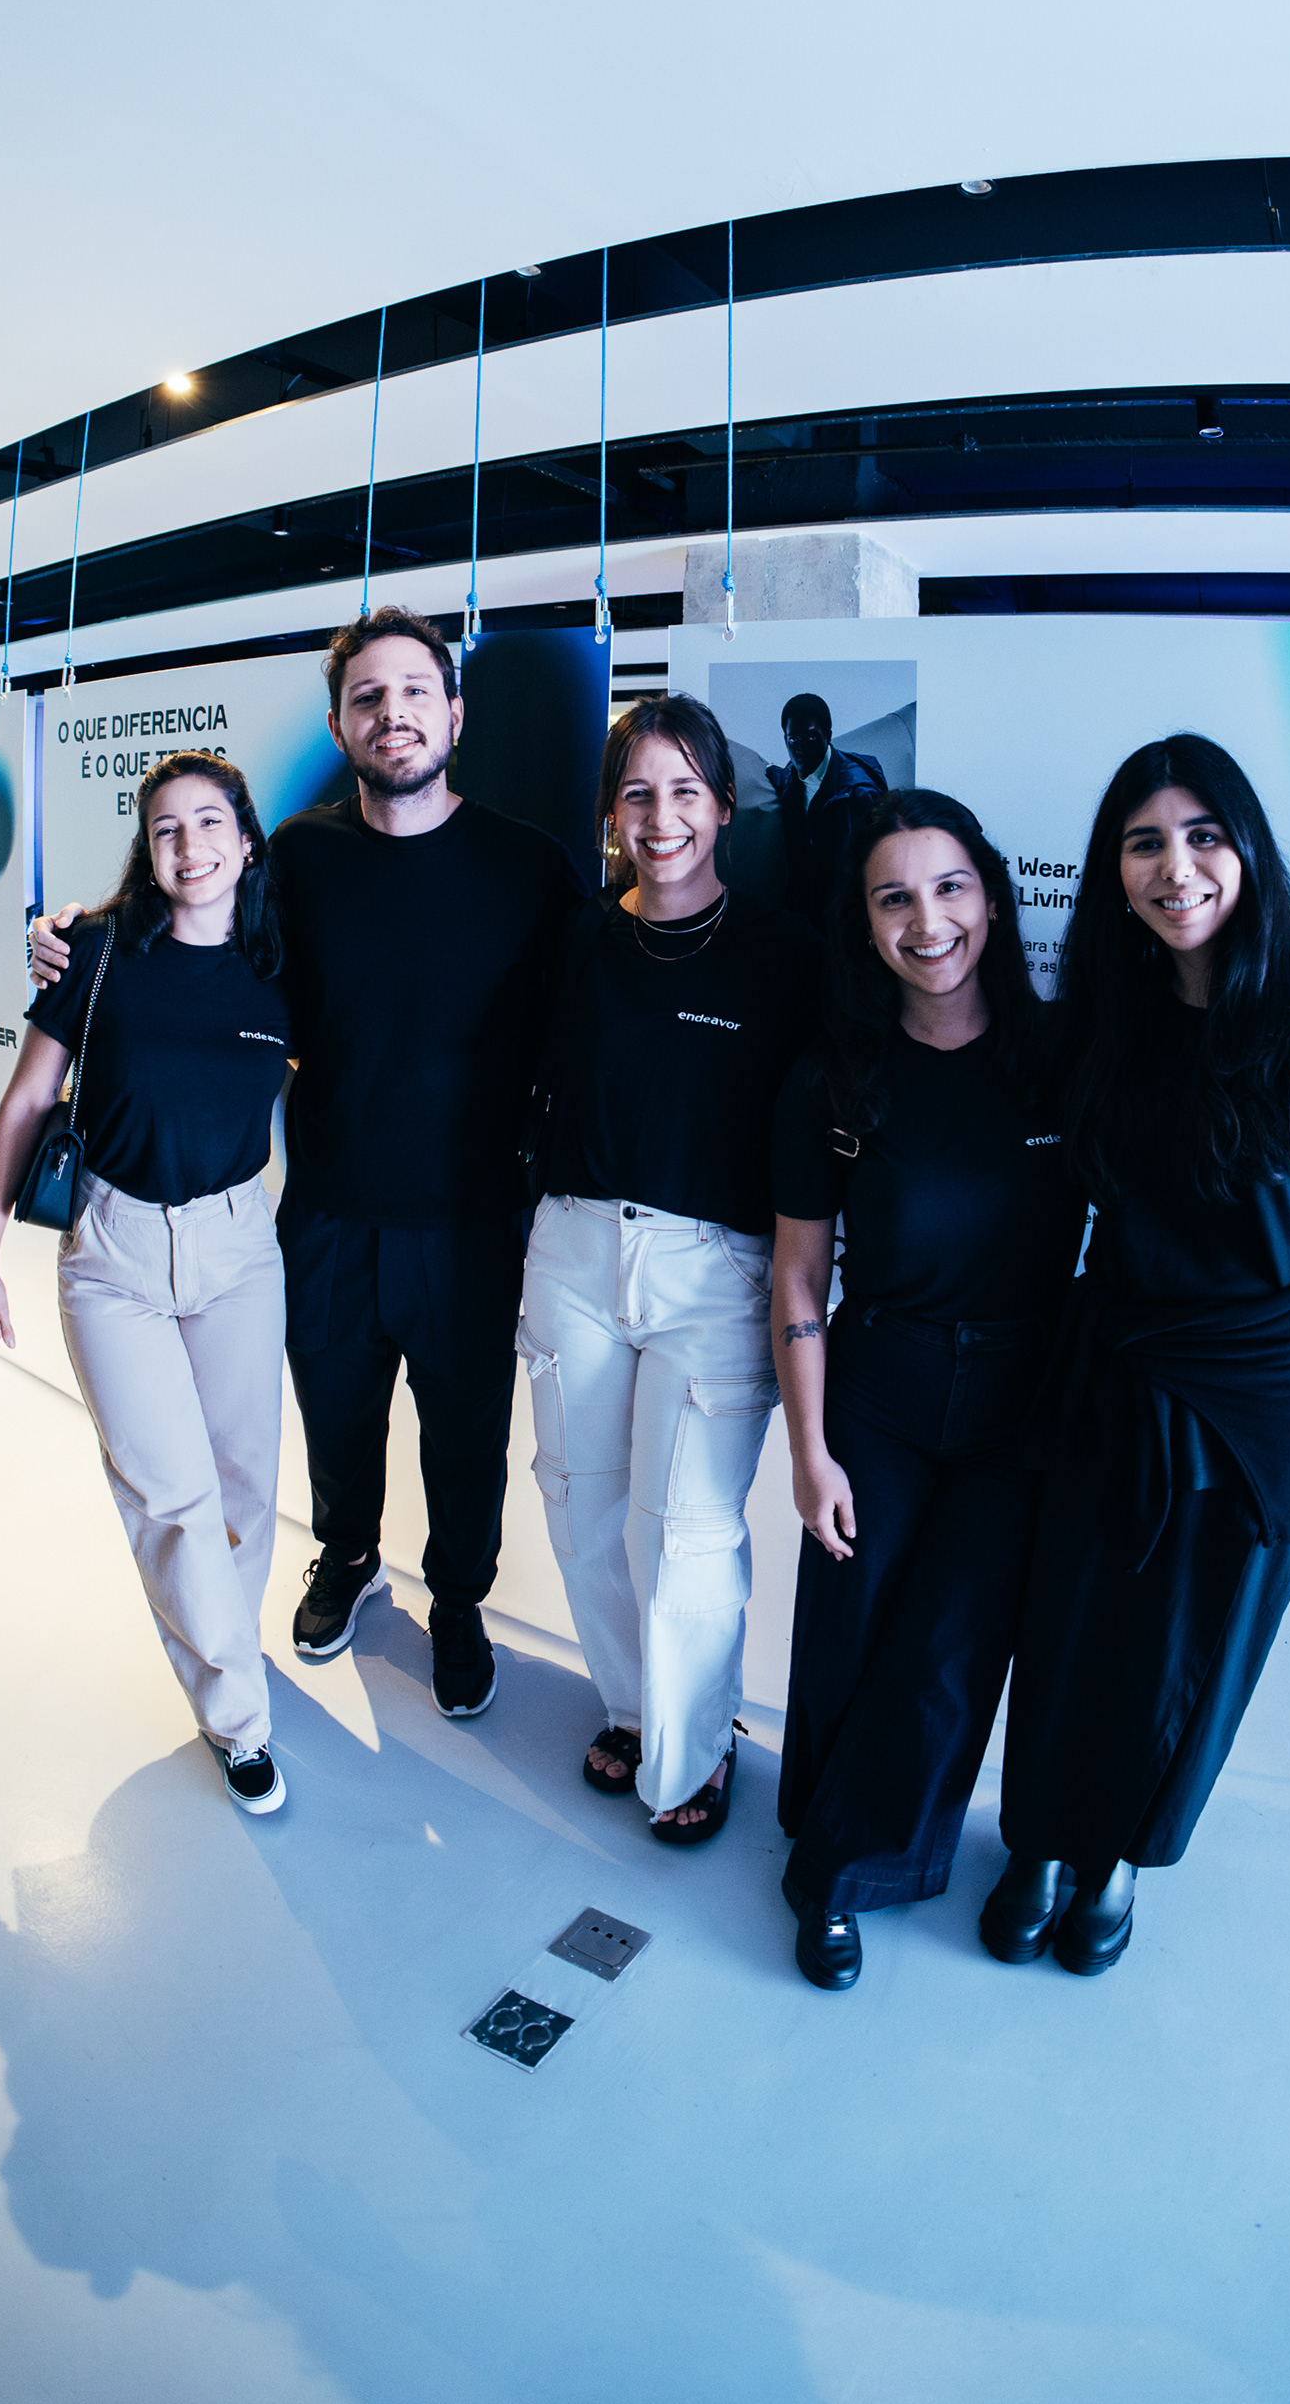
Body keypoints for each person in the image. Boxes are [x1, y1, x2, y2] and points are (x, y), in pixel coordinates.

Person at [30, 607, 587, 1722]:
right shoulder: (301, 855)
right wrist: (79, 934)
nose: (393, 714)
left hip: (473, 1218)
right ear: (340, 725)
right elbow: (198, 920)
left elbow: (587, 1024)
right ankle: (348, 1558)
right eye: (368, 697)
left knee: (466, 1436)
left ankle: (459, 1603)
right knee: (336, 1418)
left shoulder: (531, 868)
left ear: (456, 712)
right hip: (327, 1210)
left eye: (415, 691)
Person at [988, 734, 1290, 1976]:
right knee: (1072, 1618)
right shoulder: (1098, 1020)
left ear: (1248, 851)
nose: (1175, 868)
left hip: (1267, 1378)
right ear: (1114, 873)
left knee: (1198, 1640)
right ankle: (1041, 1843)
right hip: (1117, 1358)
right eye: (1144, 844)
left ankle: (1118, 1856)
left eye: (1202, 836)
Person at [770, 791, 1087, 1990]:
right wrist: (809, 1449)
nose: (928, 921)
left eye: (949, 888)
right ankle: (823, 1826)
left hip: (1023, 1394)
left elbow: (1184, 1173)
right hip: (880, 1381)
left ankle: (840, 1877)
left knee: (953, 1647)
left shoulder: (1066, 1059)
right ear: (864, 924)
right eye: (893, 898)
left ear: (992, 898)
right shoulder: (832, 1078)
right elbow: (799, 1273)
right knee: (848, 1625)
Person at [0, 754, 293, 1813]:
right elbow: (26, 1104)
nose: (190, 846)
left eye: (210, 823)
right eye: (166, 829)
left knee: (243, 1486)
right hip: (115, 1255)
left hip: (238, 1249)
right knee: (170, 1494)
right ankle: (238, 1719)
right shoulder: (97, 951)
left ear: (247, 840)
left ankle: (224, 1643)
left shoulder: (280, 960)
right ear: (146, 852)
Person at [518, 693, 819, 1838]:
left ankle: (696, 1750)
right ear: (610, 813)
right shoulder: (579, 939)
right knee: (582, 1508)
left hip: (715, 1272)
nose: (661, 817)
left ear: (725, 806)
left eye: (685, 790)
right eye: (637, 793)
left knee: (681, 1533)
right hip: (575, 1250)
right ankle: (637, 1709)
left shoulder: (786, 957)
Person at [766, 695, 887, 922]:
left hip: (846, 916)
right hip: (805, 910)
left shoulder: (858, 794)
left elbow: (876, 863)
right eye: (793, 740)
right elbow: (788, 778)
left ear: (828, 736)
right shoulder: (793, 777)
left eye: (811, 738)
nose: (800, 748)